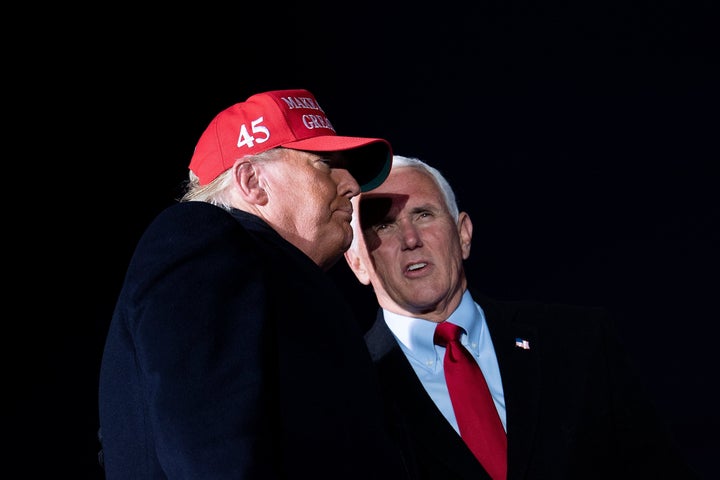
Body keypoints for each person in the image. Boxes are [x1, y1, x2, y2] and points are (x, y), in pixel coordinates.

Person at [97, 89, 409, 479]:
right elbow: (212, 452)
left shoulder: (279, 280)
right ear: (253, 182)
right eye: (325, 164)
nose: (352, 185)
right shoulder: (201, 238)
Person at [343, 155, 699, 479]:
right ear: (357, 262)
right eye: (383, 226)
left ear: (463, 234)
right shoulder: (350, 388)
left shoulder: (578, 341)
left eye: (424, 214)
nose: (410, 238)